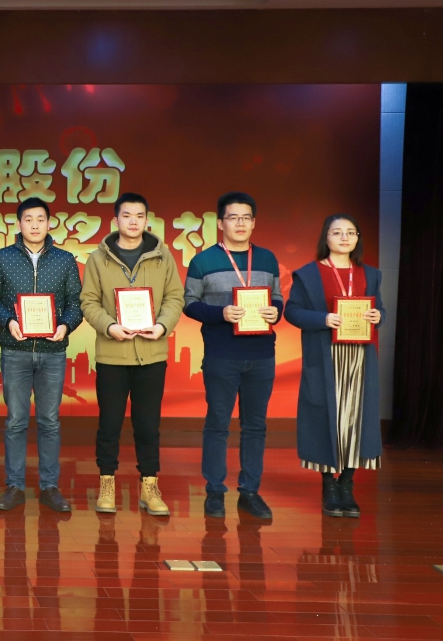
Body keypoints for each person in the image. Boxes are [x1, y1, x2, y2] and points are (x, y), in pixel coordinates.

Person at [80, 192, 184, 516]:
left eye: (139, 216)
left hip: (152, 355)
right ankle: (106, 484)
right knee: (109, 424)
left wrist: (162, 326)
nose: (133, 221)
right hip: (112, 355)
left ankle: (149, 487)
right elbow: (88, 301)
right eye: (127, 215)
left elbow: (175, 297)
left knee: (148, 425)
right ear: (116, 220)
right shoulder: (98, 259)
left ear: (147, 220)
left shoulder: (162, 256)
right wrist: (109, 326)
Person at [183, 192, 283, 520]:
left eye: (246, 217)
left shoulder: (267, 258)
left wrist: (276, 310)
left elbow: (278, 297)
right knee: (218, 424)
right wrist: (220, 313)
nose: (240, 223)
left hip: (261, 354)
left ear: (253, 223)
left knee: (255, 426)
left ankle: (249, 491)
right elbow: (189, 303)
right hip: (221, 355)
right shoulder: (203, 261)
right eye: (233, 217)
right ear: (220, 223)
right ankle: (214, 491)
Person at [0, 196, 83, 512]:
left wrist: (65, 325)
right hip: (15, 351)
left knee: (50, 421)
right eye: (29, 219)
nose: (35, 225)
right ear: (19, 224)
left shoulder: (65, 259)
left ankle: (50, 487)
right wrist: (9, 321)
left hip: (53, 352)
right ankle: (14, 486)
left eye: (41, 219)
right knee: (15, 421)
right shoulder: (2, 258)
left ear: (49, 223)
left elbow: (76, 303)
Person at [285, 214, 384, 518]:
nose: (344, 238)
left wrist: (378, 316)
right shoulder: (308, 274)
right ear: (325, 238)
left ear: (357, 238)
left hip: (360, 357)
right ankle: (328, 484)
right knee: (326, 418)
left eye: (350, 233)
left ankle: (347, 484)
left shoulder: (370, 273)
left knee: (357, 421)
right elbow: (292, 312)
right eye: (337, 232)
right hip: (325, 357)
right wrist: (323, 319)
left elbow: (379, 308)